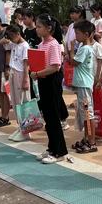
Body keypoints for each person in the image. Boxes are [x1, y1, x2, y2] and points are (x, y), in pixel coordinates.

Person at [31, 14, 68, 164]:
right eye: (37, 26)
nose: (37, 29)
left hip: (51, 82)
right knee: (48, 116)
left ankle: (59, 151)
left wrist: (38, 73)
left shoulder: (53, 44)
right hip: (43, 81)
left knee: (53, 117)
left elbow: (55, 67)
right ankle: (52, 147)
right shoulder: (41, 45)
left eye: (39, 26)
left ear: (49, 28)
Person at [70, 20, 97, 153]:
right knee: (84, 113)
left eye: (77, 33)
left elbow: (73, 62)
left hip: (84, 85)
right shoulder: (85, 47)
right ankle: (87, 138)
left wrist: (70, 50)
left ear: (86, 34)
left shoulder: (85, 48)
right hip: (83, 85)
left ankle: (91, 142)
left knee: (87, 114)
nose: (76, 36)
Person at [3, 24, 31, 142]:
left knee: (22, 103)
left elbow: (26, 65)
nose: (11, 39)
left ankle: (26, 130)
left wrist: (25, 80)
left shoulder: (25, 45)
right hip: (13, 73)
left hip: (21, 75)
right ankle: (21, 127)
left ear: (18, 34)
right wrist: (7, 37)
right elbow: (1, 43)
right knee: (14, 102)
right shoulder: (15, 44)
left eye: (12, 36)